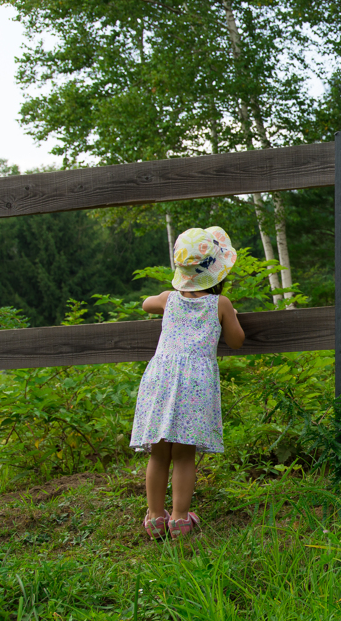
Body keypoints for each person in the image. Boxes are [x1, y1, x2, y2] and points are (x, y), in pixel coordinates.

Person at [130, 226, 246, 539]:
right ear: (217, 272)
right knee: (183, 454)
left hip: (161, 379)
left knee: (158, 452)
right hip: (194, 384)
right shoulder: (220, 305)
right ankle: (179, 518)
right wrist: (232, 314)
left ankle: (155, 517)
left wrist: (166, 297)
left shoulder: (168, 299)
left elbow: (145, 303)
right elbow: (236, 341)